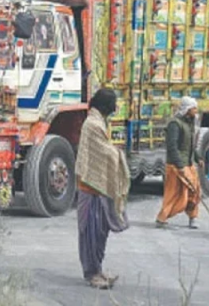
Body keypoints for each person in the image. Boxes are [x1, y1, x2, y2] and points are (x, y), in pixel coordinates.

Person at [75, 88, 130, 290]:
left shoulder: (98, 122)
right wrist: (117, 154)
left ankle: (98, 270)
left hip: (99, 189)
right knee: (90, 233)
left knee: (100, 233)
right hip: (90, 187)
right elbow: (102, 153)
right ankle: (92, 274)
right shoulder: (92, 124)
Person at [156, 97, 203, 229]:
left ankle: (193, 217)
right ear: (187, 110)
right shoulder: (174, 124)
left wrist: (198, 158)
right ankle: (162, 218)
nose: (196, 110)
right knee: (175, 194)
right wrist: (179, 165)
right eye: (194, 108)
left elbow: (191, 144)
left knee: (195, 192)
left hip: (188, 164)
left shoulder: (190, 122)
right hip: (175, 166)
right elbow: (172, 147)